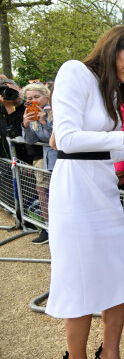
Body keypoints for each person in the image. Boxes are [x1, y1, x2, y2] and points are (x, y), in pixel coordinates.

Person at [46, 26, 124, 359]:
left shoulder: (113, 91)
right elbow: (69, 140)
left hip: (104, 192)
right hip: (75, 191)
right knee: (79, 277)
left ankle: (111, 353)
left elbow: (109, 150)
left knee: (118, 271)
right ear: (114, 48)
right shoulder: (74, 71)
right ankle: (77, 356)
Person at [21, 82, 56, 244]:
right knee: (42, 193)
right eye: (29, 98)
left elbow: (55, 139)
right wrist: (26, 125)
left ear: (46, 96)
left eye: (37, 97)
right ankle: (47, 228)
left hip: (61, 159)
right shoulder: (30, 114)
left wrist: (45, 123)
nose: (34, 101)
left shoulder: (55, 111)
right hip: (44, 160)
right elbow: (30, 140)